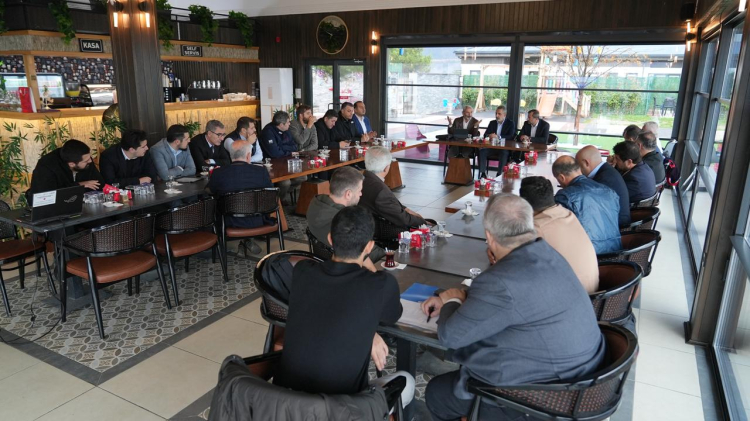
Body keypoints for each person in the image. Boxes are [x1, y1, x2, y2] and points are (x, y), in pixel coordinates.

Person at [421, 194, 605, 421]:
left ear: (489, 236)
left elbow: (450, 337)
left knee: (437, 393)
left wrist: (452, 299)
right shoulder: (549, 254)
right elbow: (519, 299)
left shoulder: (500, 281)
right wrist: (466, 297)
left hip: (547, 397)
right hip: (585, 378)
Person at [274, 206, 415, 407]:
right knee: (407, 382)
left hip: (285, 405)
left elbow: (329, 304)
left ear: (330, 239)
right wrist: (369, 332)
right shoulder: (381, 284)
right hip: (342, 410)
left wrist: (368, 333)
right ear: (369, 247)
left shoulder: (302, 271)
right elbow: (391, 317)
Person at [520, 177, 599, 293]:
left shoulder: (537, 228)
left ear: (523, 203)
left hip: (569, 298)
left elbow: (514, 265)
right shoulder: (568, 214)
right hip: (593, 294)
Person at [306, 166, 385, 268]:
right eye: (359, 190)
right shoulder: (346, 224)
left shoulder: (315, 205)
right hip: (356, 266)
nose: (361, 194)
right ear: (348, 194)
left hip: (326, 263)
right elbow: (366, 257)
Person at [553, 156, 622, 255]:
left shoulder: (565, 196)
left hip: (588, 256)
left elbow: (557, 230)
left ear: (561, 177)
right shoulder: (609, 191)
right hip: (617, 254)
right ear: (579, 169)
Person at [207, 140, 274, 229]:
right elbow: (271, 194)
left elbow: (210, 191)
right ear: (248, 156)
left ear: (230, 155)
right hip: (258, 221)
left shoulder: (218, 173)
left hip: (228, 223)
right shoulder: (261, 171)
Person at [359, 146, 427, 228]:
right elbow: (403, 219)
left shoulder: (360, 180)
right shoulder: (380, 191)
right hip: (381, 229)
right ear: (386, 168)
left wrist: (405, 209)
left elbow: (389, 205)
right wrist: (423, 222)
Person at [27, 139, 103, 199]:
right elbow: (47, 196)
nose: (90, 161)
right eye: (86, 161)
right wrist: (79, 185)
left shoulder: (85, 159)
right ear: (71, 164)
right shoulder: (46, 166)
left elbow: (99, 184)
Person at [576, 145, 631, 226]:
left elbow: (588, 208)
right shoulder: (605, 171)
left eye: (578, 165)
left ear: (586, 163)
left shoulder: (603, 179)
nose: (578, 169)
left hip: (616, 225)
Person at [260, 111, 306, 202]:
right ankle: (276, 202)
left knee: (303, 177)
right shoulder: (267, 132)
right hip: (273, 165)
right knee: (285, 182)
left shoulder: (286, 129)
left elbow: (295, 146)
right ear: (281, 124)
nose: (290, 124)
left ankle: (281, 195)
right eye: (288, 122)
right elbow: (275, 153)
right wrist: (288, 151)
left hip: (286, 162)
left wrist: (281, 147)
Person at [477, 105, 516, 177]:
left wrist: (498, 137)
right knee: (482, 151)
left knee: (504, 153)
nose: (497, 116)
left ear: (504, 115)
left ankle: (499, 174)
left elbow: (511, 136)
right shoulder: (492, 123)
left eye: (499, 114)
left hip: (503, 148)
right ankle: (483, 173)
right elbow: (485, 135)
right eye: (496, 113)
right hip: (492, 147)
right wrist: (490, 135)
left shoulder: (510, 123)